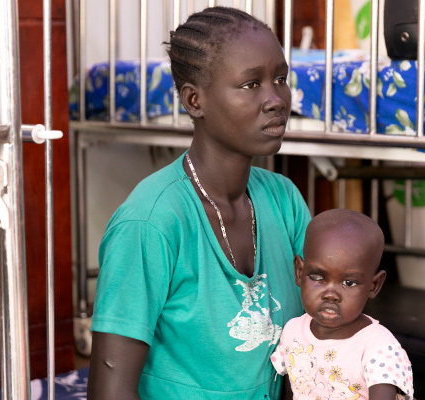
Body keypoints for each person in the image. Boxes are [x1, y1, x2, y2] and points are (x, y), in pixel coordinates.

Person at [87, 7, 311, 400]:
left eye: (280, 79)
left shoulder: (285, 201)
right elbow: (110, 390)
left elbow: (315, 341)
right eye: (250, 84)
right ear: (194, 101)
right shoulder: (151, 223)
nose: (277, 99)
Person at [270, 209, 414, 400]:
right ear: (299, 272)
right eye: (318, 278)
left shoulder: (378, 346)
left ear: (374, 285)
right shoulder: (292, 331)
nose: (331, 295)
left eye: (349, 283)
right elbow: (294, 389)